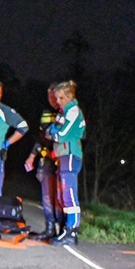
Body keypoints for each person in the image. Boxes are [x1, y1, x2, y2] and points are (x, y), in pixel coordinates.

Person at [48, 80, 86, 246]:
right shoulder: (64, 112)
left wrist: (53, 131)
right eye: (57, 98)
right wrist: (52, 131)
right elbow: (50, 132)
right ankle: (67, 228)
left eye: (61, 98)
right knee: (62, 195)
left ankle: (71, 230)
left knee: (69, 194)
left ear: (70, 97)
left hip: (70, 155)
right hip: (63, 156)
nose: (58, 101)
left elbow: (59, 134)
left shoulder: (73, 111)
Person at [23, 84, 63, 240]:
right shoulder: (46, 113)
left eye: (55, 96)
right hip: (46, 159)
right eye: (50, 96)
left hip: (62, 158)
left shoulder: (67, 113)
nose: (52, 99)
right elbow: (41, 137)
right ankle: (49, 228)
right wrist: (32, 156)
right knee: (47, 195)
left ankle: (62, 229)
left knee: (60, 196)